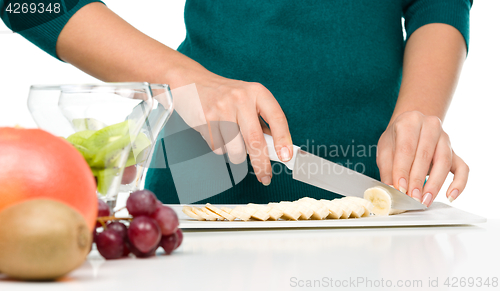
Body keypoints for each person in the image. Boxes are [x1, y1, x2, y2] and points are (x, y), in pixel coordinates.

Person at [1, 0, 471, 206]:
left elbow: (440, 2)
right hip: (200, 180)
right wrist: (184, 81)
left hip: (377, 195)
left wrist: (419, 113)